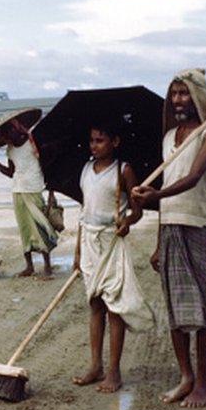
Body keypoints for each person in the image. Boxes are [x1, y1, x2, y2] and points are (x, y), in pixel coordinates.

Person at [131, 68, 206, 409]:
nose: (177, 100)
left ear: (198, 96)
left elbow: (194, 176)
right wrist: (158, 240)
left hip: (196, 226)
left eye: (184, 93)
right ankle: (185, 376)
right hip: (170, 227)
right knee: (176, 311)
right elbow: (166, 193)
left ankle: (202, 383)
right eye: (173, 94)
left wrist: (152, 197)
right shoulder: (168, 136)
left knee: (203, 311)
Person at [71, 122, 154, 393]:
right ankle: (95, 365)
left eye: (100, 140)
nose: (94, 145)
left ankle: (113, 371)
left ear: (115, 142)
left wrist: (128, 221)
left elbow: (138, 211)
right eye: (92, 140)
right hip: (90, 243)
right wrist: (77, 250)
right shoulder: (86, 169)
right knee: (95, 304)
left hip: (111, 242)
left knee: (114, 306)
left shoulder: (123, 170)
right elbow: (84, 213)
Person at [0, 119, 58, 278]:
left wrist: (51, 189)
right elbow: (11, 173)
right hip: (18, 190)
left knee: (40, 227)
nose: (6, 141)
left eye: (6, 137)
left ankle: (47, 267)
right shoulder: (10, 150)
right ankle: (29, 266)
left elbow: (48, 162)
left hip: (34, 189)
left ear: (13, 130)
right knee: (24, 229)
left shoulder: (32, 142)